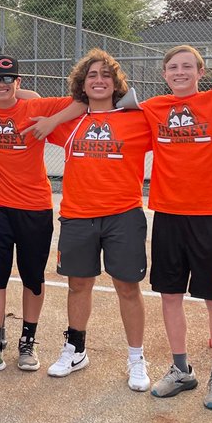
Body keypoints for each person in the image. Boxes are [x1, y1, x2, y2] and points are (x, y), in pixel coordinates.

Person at [138, 45, 212, 410]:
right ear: (164, 74)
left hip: (209, 216)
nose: (180, 72)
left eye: (187, 66)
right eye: (173, 67)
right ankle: (181, 369)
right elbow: (93, 103)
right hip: (167, 214)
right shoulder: (152, 109)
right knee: (170, 295)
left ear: (201, 72)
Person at [43, 50, 154, 391]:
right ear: (82, 83)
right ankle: (75, 349)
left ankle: (136, 357)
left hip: (123, 215)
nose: (99, 80)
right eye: (92, 75)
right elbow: (26, 101)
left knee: (127, 287)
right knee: (79, 284)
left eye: (106, 75)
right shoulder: (68, 121)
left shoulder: (138, 119)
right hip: (78, 216)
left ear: (116, 83)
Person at [0, 55, 73, 377]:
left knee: (32, 277)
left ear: (19, 82)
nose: (2, 84)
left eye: (8, 79)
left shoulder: (34, 108)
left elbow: (83, 100)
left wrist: (52, 121)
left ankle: (28, 340)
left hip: (34, 206)